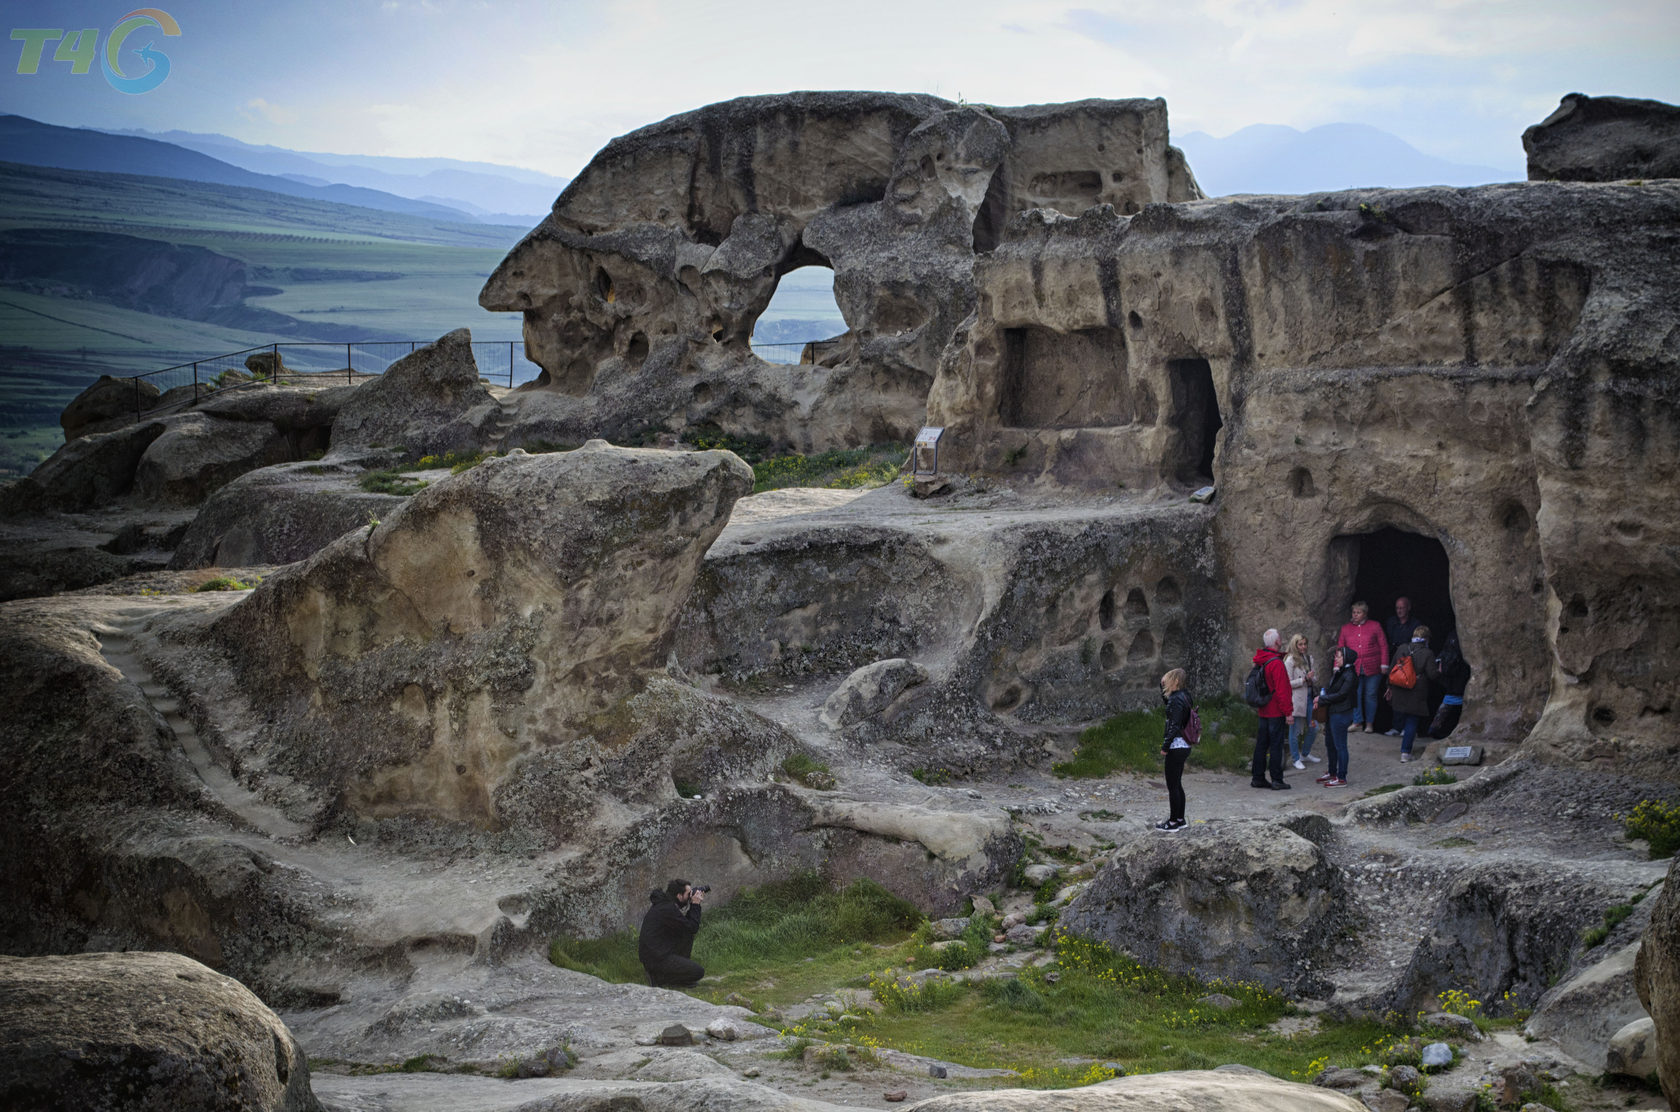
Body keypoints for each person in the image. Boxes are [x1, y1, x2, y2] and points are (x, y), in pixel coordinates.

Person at [1386, 624, 1441, 761]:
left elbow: (1392, 668)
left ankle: (1400, 735)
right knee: (1412, 721)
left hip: (1399, 688)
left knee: (1403, 716)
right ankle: (1405, 752)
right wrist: (1439, 669)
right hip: (1416, 691)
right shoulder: (1427, 653)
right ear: (1427, 639)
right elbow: (1432, 675)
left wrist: (1389, 686)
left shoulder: (1402, 648)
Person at [638, 878, 706, 987]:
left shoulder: (665, 905)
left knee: (686, 935)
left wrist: (693, 905)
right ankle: (659, 978)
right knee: (698, 972)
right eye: (688, 894)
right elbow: (693, 927)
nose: (690, 897)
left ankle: (675, 975)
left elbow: (686, 927)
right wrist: (695, 905)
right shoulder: (667, 909)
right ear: (679, 896)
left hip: (655, 954)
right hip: (657, 959)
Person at [1249, 629, 1294, 790]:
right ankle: (1276, 779)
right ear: (1277, 642)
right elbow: (1283, 690)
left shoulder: (1261, 660)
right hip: (1275, 710)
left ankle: (1258, 777)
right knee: (1276, 745)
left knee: (1261, 744)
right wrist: (1288, 712)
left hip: (1263, 709)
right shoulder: (1276, 663)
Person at [1336, 601, 1388, 733]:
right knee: (1355, 694)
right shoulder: (1345, 628)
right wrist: (1337, 666)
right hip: (1354, 667)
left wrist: (1384, 664)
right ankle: (1357, 722)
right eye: (1354, 612)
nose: (1355, 615)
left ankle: (1369, 724)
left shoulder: (1375, 626)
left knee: (1370, 695)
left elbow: (1383, 645)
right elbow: (1340, 648)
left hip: (1373, 666)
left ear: (1365, 614)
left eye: (1358, 612)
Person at [1156, 668, 1193, 831]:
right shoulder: (1184, 696)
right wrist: (1161, 684)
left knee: (1172, 785)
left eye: (1169, 678)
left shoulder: (1177, 700)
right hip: (1184, 745)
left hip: (1176, 745)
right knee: (1177, 784)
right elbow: (1167, 701)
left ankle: (1172, 823)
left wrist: (1165, 746)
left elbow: (1174, 725)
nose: (1167, 681)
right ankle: (1180, 819)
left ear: (1176, 681)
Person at [1316, 645, 1359, 786]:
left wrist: (1322, 699)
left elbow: (1342, 695)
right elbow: (1331, 690)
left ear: (1346, 658)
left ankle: (1341, 777)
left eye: (1339, 656)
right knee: (1330, 743)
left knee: (1340, 745)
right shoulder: (1340, 672)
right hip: (1333, 712)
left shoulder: (1350, 675)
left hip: (1341, 713)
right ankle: (1332, 772)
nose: (1336, 658)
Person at [1382, 597, 1423, 736]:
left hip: (1410, 663)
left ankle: (1408, 727)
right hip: (1395, 662)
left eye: (1402, 608)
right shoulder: (1391, 623)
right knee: (1394, 694)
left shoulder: (1415, 624)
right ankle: (1396, 726)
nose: (1399, 611)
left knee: (1409, 695)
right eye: (1397, 608)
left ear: (1408, 608)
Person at [1284, 633, 1319, 769]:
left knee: (1313, 726)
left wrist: (1311, 678)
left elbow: (1313, 678)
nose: (1303, 647)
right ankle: (1295, 758)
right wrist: (1304, 680)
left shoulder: (1308, 658)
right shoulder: (1290, 661)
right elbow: (1287, 683)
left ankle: (1305, 752)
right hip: (1297, 698)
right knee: (1295, 730)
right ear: (1295, 645)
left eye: (1305, 644)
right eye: (1300, 644)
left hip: (1309, 697)